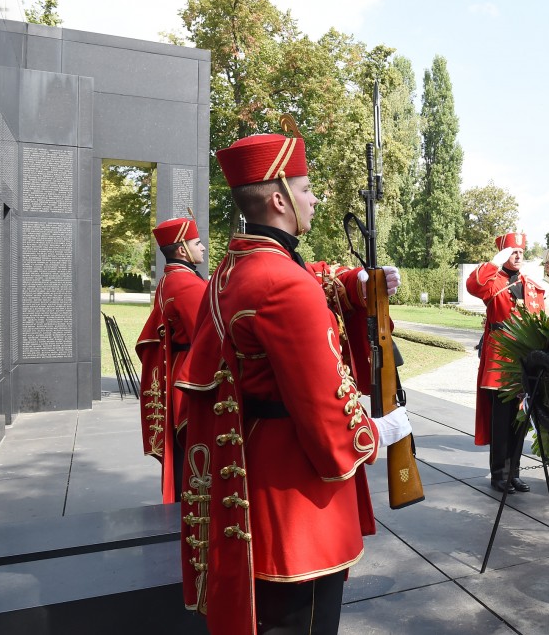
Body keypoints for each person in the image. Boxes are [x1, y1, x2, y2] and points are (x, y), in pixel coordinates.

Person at [175, 128, 411, 635]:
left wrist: (356, 281)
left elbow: (308, 272)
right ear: (279, 199)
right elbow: (330, 422)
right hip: (299, 503)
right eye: (306, 190)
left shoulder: (234, 267)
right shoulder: (285, 286)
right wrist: (377, 432)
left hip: (254, 479)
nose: (314, 199)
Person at [466, 232, 547, 494]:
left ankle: (514, 473)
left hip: (523, 363)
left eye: (521, 251)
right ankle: (498, 473)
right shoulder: (493, 282)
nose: (518, 255)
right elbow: (473, 285)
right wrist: (494, 262)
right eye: (512, 251)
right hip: (500, 361)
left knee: (520, 421)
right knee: (501, 422)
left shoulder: (530, 285)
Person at [135, 217, 207, 504]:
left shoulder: (170, 279)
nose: (203, 248)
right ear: (181, 250)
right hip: (191, 372)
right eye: (197, 243)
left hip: (178, 369)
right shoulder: (186, 283)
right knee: (192, 448)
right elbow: (209, 334)